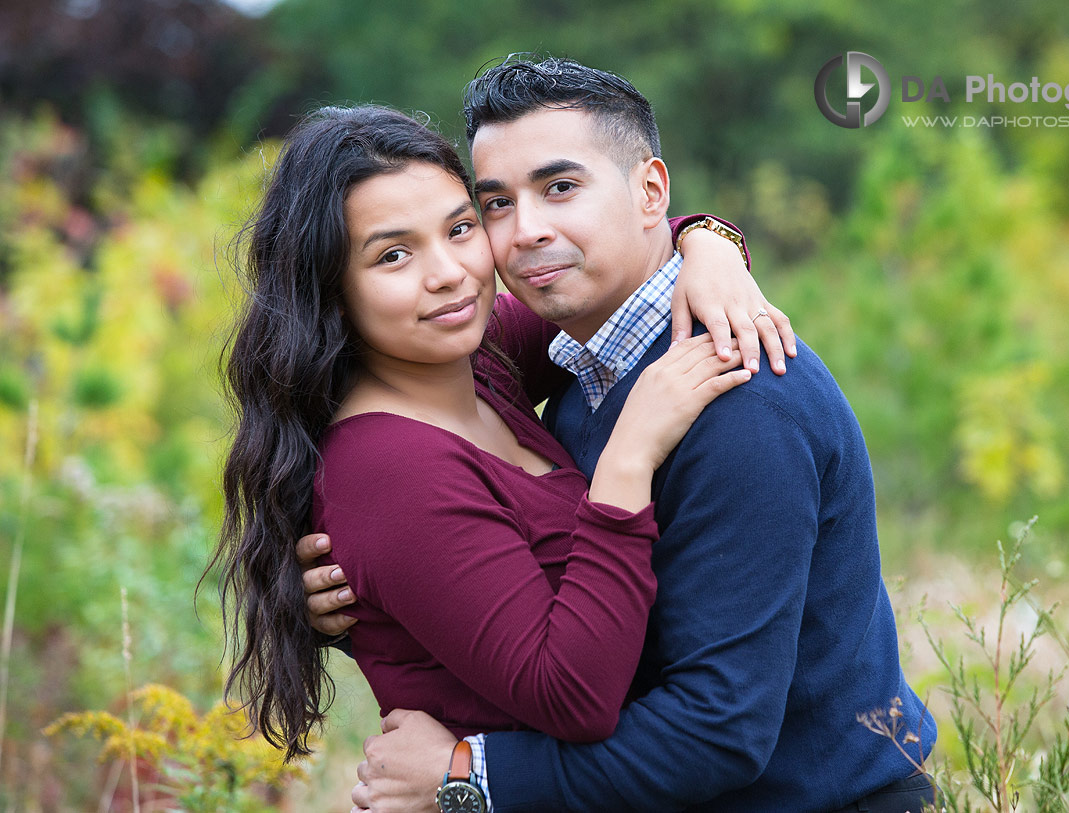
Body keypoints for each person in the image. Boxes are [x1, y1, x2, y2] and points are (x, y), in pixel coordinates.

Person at [305, 57, 938, 812]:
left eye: (561, 187)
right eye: (496, 204)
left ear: (649, 191)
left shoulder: (739, 402)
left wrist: (466, 774)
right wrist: (371, 595)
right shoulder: (566, 352)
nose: (526, 232)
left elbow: (717, 733)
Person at [212, 103, 792, 766]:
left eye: (460, 228)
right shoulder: (390, 469)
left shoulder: (480, 356)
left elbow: (621, 289)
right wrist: (628, 459)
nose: (449, 272)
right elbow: (572, 697)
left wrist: (709, 243)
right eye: (393, 254)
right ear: (332, 291)